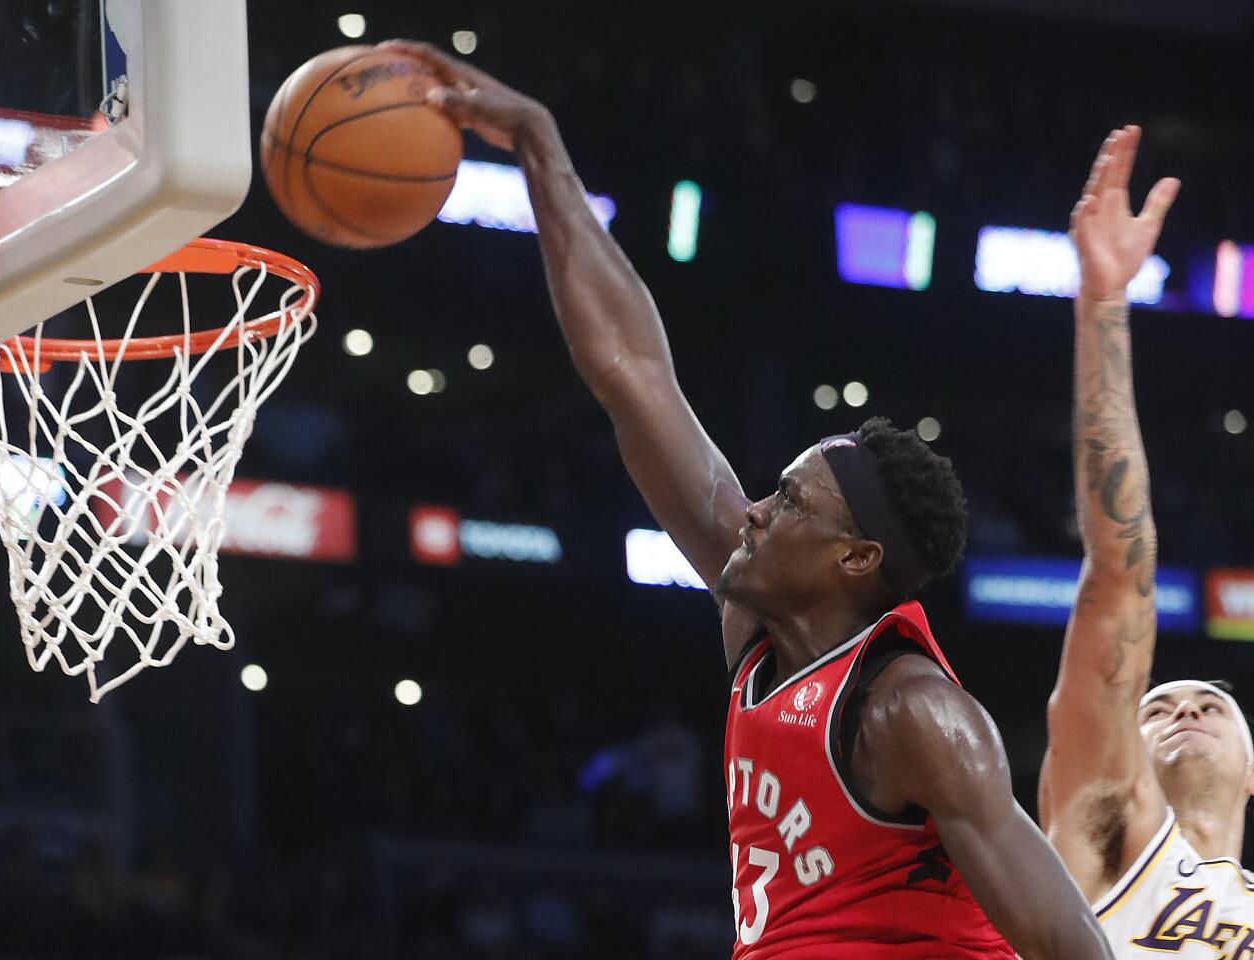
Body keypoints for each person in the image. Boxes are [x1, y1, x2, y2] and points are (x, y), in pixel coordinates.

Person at [387, 40, 1113, 960]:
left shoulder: (914, 715)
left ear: (854, 559)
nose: (758, 511)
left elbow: (1070, 948)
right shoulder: (755, 622)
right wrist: (540, 146)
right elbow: (633, 375)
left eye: (793, 503)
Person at [1040, 124, 1254, 955]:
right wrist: (1102, 303)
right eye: (1156, 706)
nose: (1184, 708)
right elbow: (1117, 579)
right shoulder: (1101, 843)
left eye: (1209, 705)